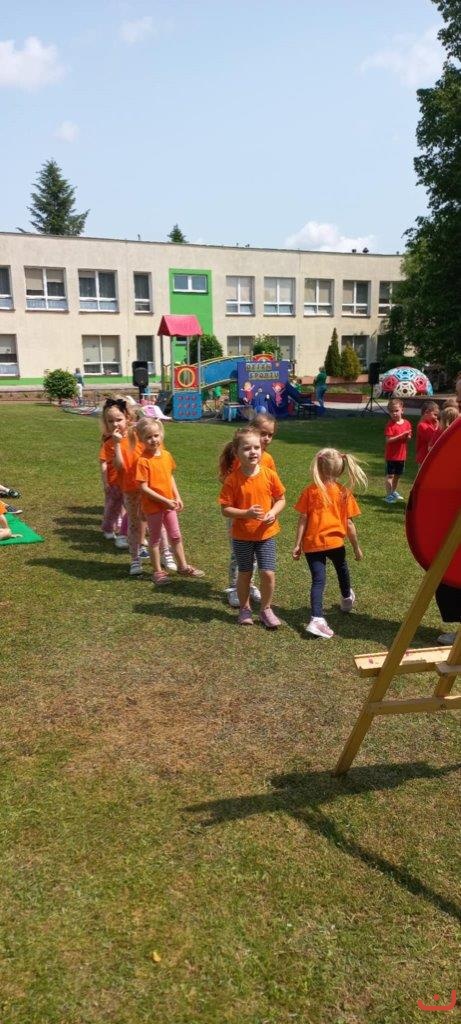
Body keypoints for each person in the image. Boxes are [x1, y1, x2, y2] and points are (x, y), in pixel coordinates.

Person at [292, 448, 367, 638]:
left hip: (312, 545)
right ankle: (346, 597)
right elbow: (349, 524)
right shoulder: (344, 493)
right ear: (340, 470)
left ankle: (316, 618)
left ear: (318, 467)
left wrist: (298, 544)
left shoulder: (310, 491)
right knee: (342, 568)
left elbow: (303, 519)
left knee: (318, 580)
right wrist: (356, 547)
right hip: (336, 543)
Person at [219, 425, 286, 628]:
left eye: (256, 447)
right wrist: (245, 514)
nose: (253, 452)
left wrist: (273, 512)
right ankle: (245, 608)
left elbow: (281, 499)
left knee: (268, 573)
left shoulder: (269, 475)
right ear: (237, 452)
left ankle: (266, 609)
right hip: (242, 536)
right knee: (245, 573)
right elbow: (225, 509)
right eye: (247, 448)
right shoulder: (232, 480)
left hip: (266, 534)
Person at [135, 417, 204, 585]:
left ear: (161, 435)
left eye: (156, 435)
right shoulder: (143, 461)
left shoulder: (166, 455)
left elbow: (170, 477)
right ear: (141, 440)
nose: (153, 440)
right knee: (155, 539)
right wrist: (164, 500)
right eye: (148, 437)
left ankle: (183, 566)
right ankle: (158, 572)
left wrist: (177, 496)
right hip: (153, 507)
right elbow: (143, 488)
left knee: (176, 535)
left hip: (169, 505)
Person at [101, 398, 145, 575]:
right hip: (128, 487)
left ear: (128, 418)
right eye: (110, 421)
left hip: (147, 486)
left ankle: (163, 553)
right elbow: (118, 466)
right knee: (133, 520)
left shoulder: (140, 434)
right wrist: (117, 444)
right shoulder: (110, 442)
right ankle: (134, 557)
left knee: (152, 520)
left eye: (118, 419)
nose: (114, 424)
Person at [383, 398, 412, 503]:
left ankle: (393, 491)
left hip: (401, 455)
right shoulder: (390, 424)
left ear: (402, 410)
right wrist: (401, 435)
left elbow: (408, 438)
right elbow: (388, 440)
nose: (394, 413)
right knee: (390, 475)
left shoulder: (407, 423)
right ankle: (388, 496)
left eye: (396, 410)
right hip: (391, 456)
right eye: (391, 411)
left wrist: (408, 437)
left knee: (397, 476)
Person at [416, 401, 441, 467]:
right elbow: (432, 440)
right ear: (426, 412)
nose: (436, 418)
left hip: (430, 457)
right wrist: (438, 427)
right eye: (435, 415)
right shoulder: (422, 426)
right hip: (424, 457)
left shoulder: (431, 424)